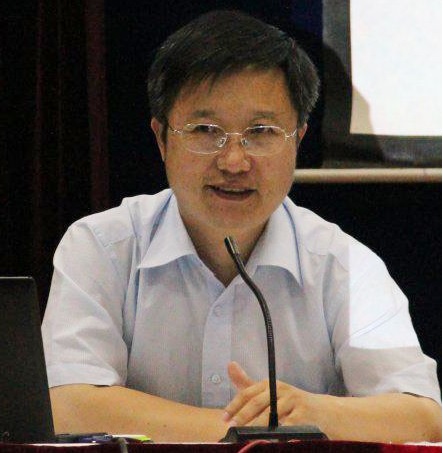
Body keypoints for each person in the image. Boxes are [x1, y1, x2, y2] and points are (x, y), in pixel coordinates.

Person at [42, 10, 441, 443]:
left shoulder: (344, 265)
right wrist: (262, 433)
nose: (234, 161)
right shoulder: (102, 247)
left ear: (298, 140)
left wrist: (315, 411)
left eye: (261, 131)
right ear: (161, 139)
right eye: (205, 130)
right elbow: (66, 405)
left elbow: (423, 418)